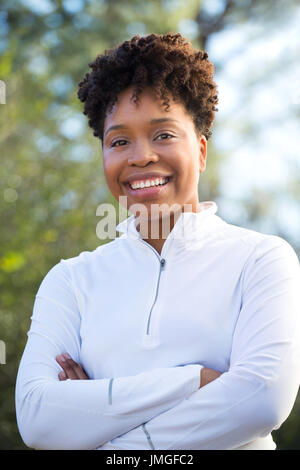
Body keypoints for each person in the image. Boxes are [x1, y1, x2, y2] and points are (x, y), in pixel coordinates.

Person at [15, 33, 300, 450]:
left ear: (201, 151)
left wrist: (97, 423)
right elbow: (38, 418)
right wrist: (192, 381)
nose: (140, 156)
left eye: (163, 134)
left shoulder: (261, 260)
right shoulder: (70, 282)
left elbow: (261, 401)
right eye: (119, 141)